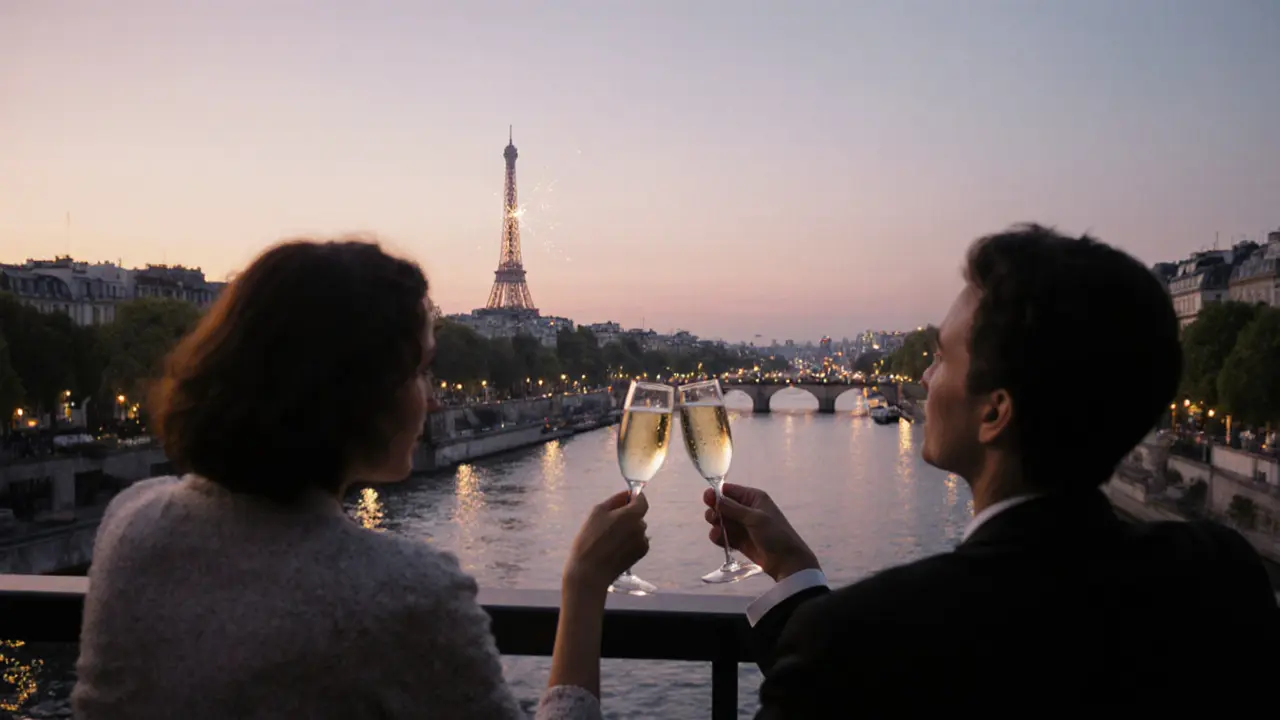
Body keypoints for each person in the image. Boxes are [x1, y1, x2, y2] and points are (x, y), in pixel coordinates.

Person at [703, 224, 1280, 714]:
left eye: (940, 356)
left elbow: (853, 667)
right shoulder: (1221, 577)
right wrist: (794, 570)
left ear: (995, 412)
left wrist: (808, 607)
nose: (922, 379)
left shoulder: (856, 640)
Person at [74, 238, 647, 719]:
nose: (432, 395)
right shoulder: (408, 593)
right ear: (358, 393)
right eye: (420, 371)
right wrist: (584, 584)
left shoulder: (130, 522)